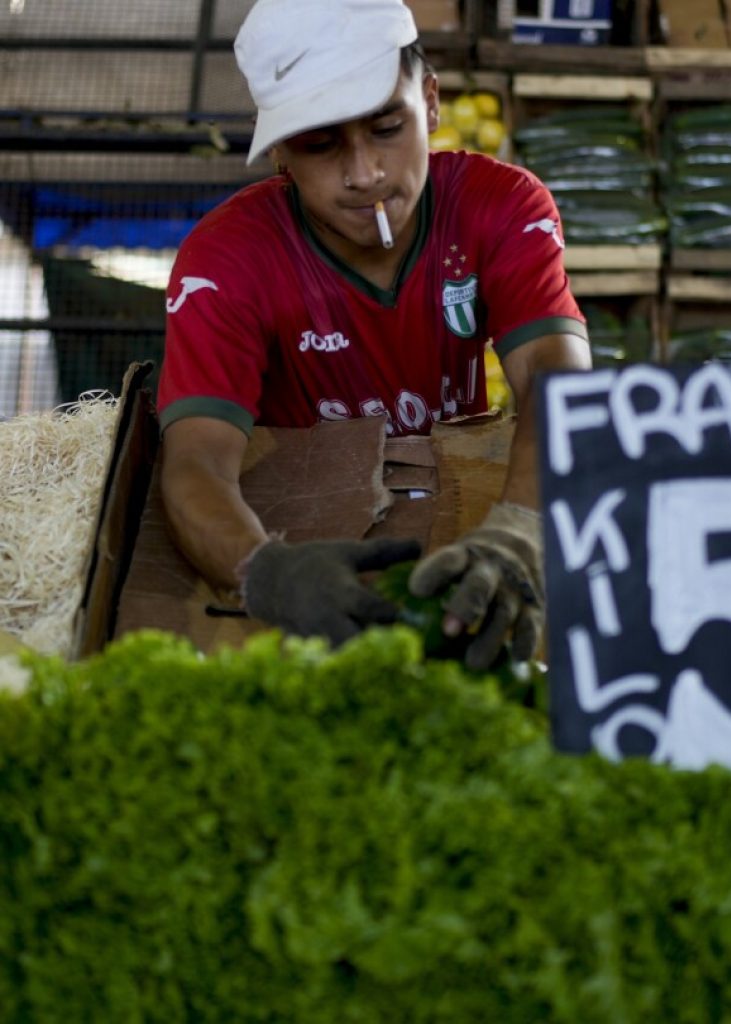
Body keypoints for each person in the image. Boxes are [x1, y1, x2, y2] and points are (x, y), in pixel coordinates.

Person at [156, 0, 592, 669]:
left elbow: (557, 382)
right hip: (305, 529)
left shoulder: (501, 206)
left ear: (432, 102)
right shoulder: (225, 260)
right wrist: (264, 571)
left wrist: (521, 533)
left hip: (464, 510)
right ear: (278, 152)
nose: (365, 174)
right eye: (320, 144)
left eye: (388, 127)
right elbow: (195, 460)